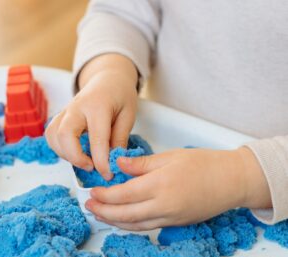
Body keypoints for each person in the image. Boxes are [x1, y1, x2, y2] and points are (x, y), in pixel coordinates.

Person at [45, 1, 288, 231]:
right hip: (165, 140)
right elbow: (120, 11)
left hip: (272, 187)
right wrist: (108, 72)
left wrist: (241, 176)